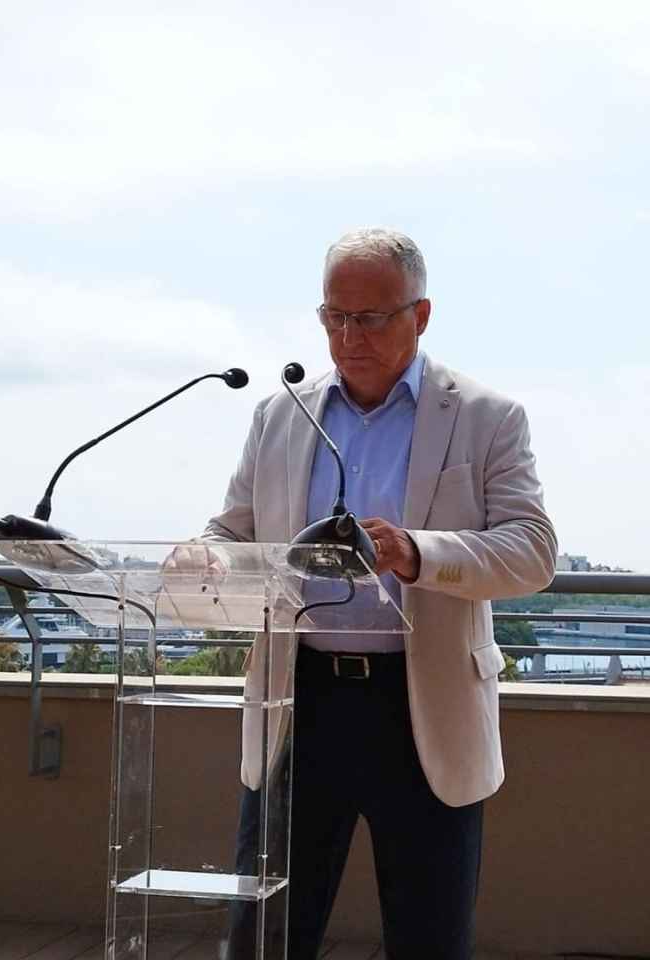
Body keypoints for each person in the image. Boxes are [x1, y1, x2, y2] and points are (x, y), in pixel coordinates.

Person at [203, 227, 557, 957]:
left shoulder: (487, 418)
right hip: (296, 705)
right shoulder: (281, 415)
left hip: (421, 707)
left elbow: (533, 552)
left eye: (370, 318)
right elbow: (231, 535)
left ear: (420, 316)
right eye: (334, 316)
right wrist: (199, 558)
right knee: (263, 940)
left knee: (429, 937)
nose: (347, 335)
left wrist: (416, 553)